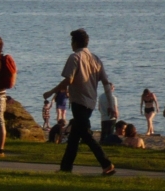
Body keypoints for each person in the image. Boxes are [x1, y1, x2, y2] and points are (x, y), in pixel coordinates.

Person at [43, 28, 116, 176]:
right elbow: (106, 82)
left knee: (86, 135)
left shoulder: (75, 57)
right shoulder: (95, 59)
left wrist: (51, 92)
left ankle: (106, 164)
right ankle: (65, 168)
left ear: (75, 42)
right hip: (90, 102)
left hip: (79, 102)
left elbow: (68, 80)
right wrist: (111, 104)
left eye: (72, 41)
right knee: (74, 137)